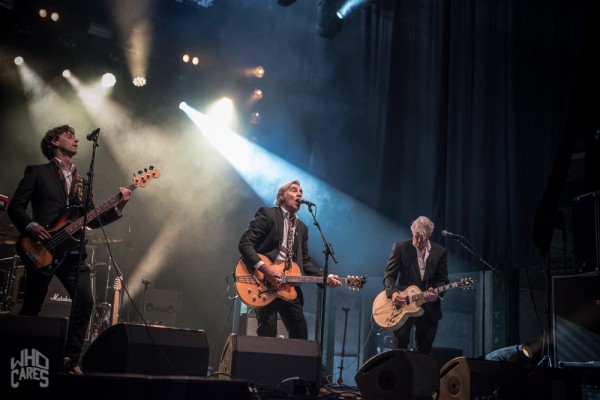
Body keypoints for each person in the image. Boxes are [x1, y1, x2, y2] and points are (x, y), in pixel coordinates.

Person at [7, 124, 131, 374]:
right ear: (54, 142)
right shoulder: (37, 172)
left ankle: (71, 359)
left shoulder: (81, 181)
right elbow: (15, 207)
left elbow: (91, 220)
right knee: (32, 306)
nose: (75, 140)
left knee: (86, 302)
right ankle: (18, 358)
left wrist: (119, 207)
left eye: (75, 136)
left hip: (74, 254)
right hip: (41, 249)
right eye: (69, 136)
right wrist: (31, 226)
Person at [238, 179, 341, 339]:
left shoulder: (302, 228)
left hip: (289, 288)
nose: (299, 193)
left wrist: (325, 278)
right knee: (268, 331)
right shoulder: (268, 214)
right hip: (264, 283)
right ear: (281, 196)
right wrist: (266, 269)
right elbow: (245, 243)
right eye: (294, 190)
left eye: (301, 191)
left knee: (300, 333)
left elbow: (304, 261)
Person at [383, 216, 449, 353]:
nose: (417, 241)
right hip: (403, 305)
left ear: (429, 235)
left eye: (422, 238)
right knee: (400, 344)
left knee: (425, 348)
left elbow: (443, 280)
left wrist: (436, 294)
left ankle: (419, 374)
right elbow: (389, 275)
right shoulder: (400, 247)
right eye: (415, 236)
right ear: (412, 232)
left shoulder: (440, 252)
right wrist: (393, 292)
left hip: (429, 308)